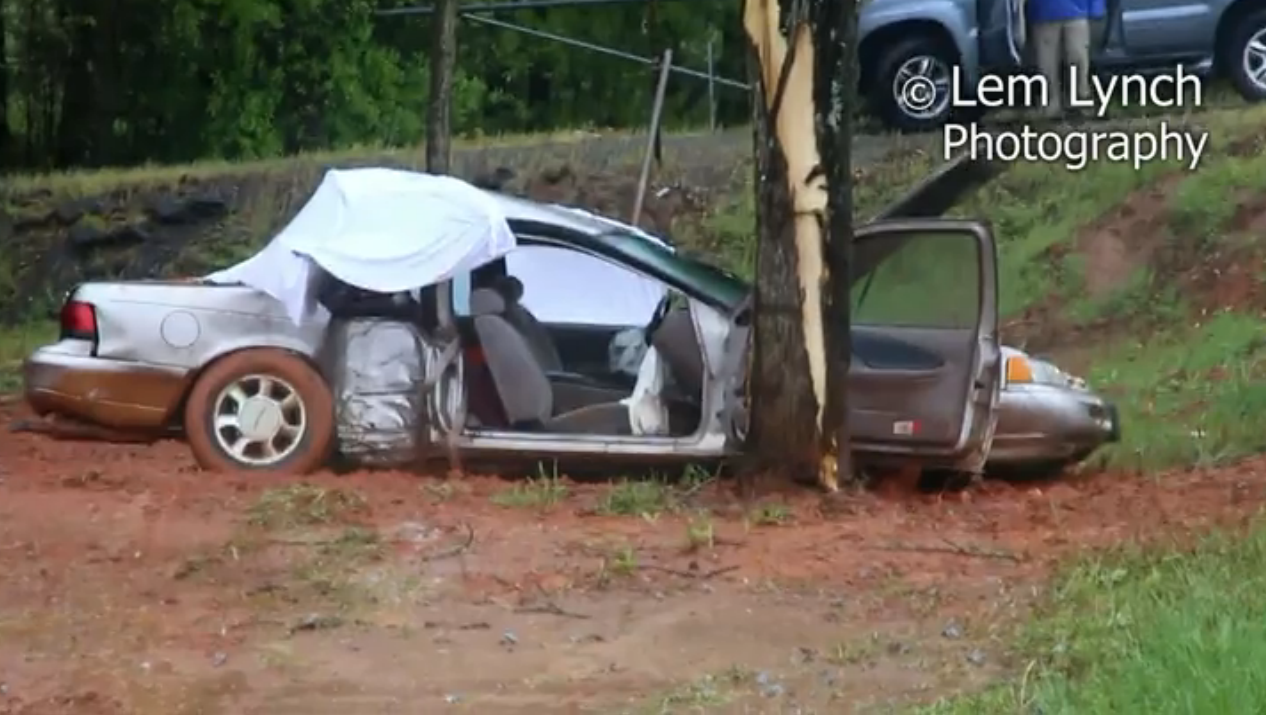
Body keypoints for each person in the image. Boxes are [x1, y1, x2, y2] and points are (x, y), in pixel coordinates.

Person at [1029, 0, 1105, 117]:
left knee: (1077, 55)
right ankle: (1052, 102)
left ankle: (1080, 97)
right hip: (1042, 11)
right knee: (1046, 60)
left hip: (1078, 10)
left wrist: (1097, 8)